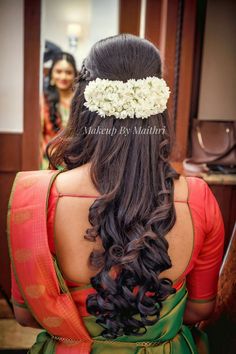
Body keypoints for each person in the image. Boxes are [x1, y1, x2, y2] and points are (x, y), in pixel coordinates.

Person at [8, 34, 224, 353]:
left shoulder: (34, 198)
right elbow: (200, 310)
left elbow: (26, 314)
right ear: (157, 106)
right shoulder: (198, 197)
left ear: (84, 105)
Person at [41, 51, 77, 169]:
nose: (63, 77)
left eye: (68, 72)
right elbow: (39, 138)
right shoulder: (43, 101)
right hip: (50, 162)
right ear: (51, 74)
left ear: (75, 75)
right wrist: (56, 156)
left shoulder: (81, 101)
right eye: (59, 71)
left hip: (76, 162)